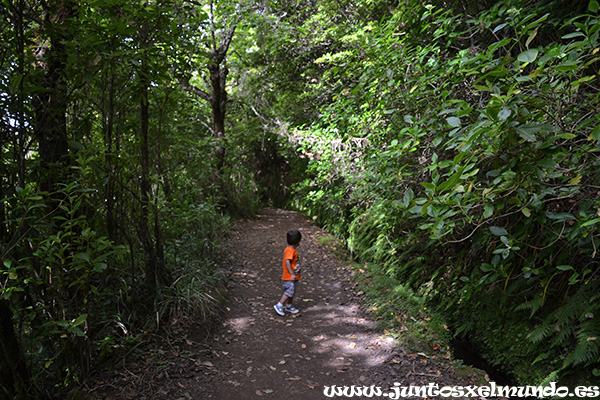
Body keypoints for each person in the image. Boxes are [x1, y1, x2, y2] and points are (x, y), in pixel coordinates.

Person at [274, 230, 302, 316]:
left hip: (293, 277)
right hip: (289, 277)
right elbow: (287, 261)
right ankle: (279, 305)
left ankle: (289, 306)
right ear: (298, 242)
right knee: (289, 292)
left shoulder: (291, 249)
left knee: (291, 292)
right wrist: (292, 273)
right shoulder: (290, 250)